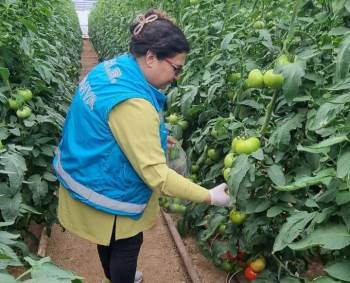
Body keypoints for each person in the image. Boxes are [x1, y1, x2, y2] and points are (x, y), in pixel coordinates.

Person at [52, 9, 230, 283]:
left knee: (108, 238)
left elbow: (114, 127)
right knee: (125, 242)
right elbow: (157, 175)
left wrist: (157, 135)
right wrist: (210, 196)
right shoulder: (133, 104)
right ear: (150, 57)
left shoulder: (113, 69)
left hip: (86, 168)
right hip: (106, 186)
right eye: (176, 68)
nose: (177, 77)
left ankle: (115, 277)